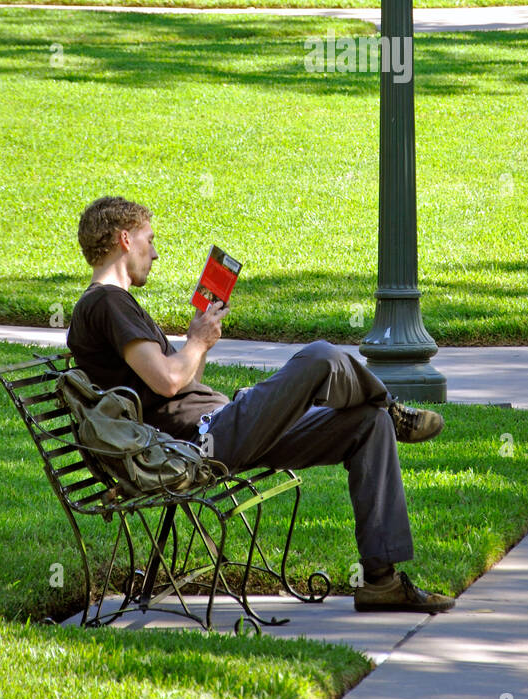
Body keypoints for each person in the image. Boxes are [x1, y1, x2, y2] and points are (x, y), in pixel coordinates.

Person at [66, 196, 455, 615]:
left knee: (368, 423)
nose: (155, 252)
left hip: (220, 428)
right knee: (320, 356)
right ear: (125, 239)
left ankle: (382, 582)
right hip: (199, 443)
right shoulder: (105, 302)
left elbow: (183, 384)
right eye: (149, 239)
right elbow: (167, 379)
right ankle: (392, 406)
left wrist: (204, 339)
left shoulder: (116, 305)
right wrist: (194, 341)